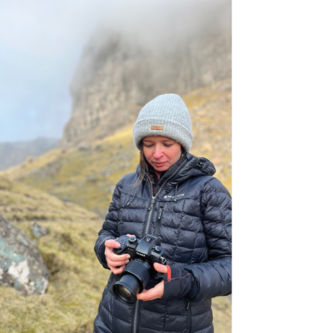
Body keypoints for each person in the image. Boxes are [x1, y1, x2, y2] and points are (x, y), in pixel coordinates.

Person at [93, 93, 232, 333]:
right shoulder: (126, 186)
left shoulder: (209, 192)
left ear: (182, 144)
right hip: (113, 320)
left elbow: (231, 265)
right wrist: (106, 249)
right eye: (148, 144)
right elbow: (107, 232)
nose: (157, 154)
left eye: (167, 144)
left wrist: (180, 280)